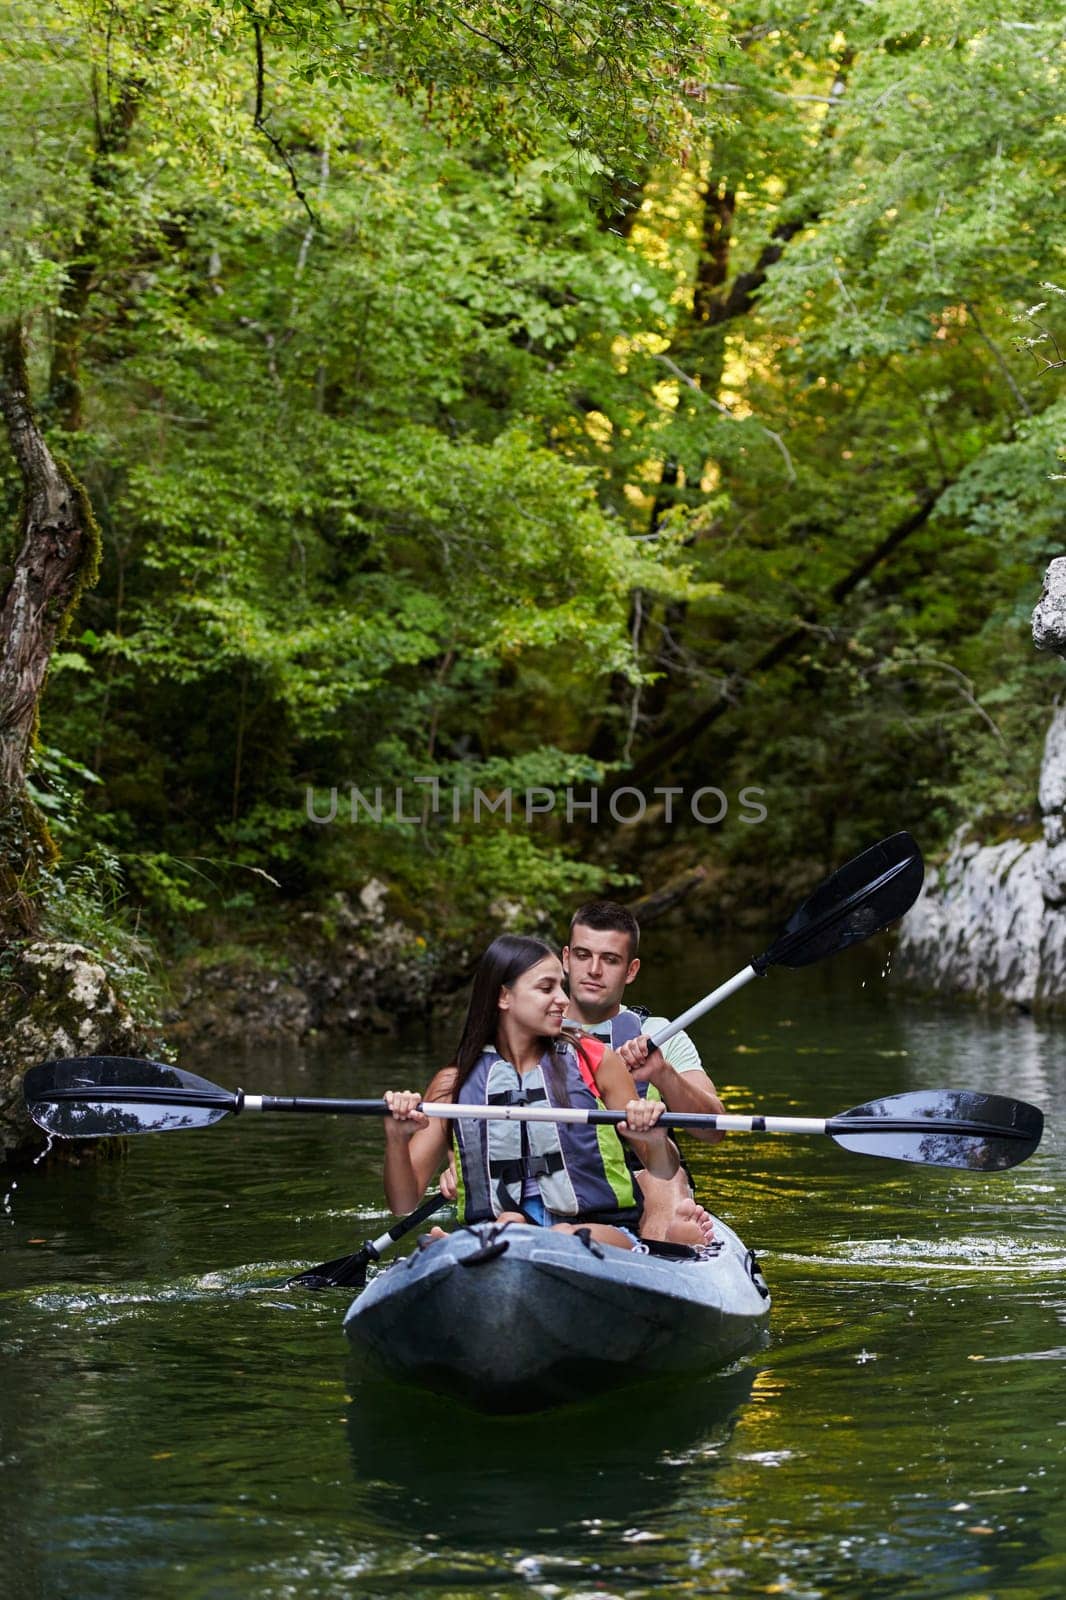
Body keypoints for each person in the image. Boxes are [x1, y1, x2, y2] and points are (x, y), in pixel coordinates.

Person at [382, 934, 692, 1251]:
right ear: (504, 997)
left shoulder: (596, 1060)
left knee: (556, 1234)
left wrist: (653, 1138)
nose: (563, 999)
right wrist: (396, 1136)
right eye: (547, 989)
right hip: (499, 1234)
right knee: (509, 1224)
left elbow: (664, 1169)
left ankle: (472, 1244)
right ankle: (486, 1243)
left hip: (598, 1232)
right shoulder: (453, 1083)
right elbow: (403, 1202)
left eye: (561, 985)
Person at [563, 900, 726, 1241]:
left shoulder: (660, 1032)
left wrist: (662, 1072)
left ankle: (664, 1249)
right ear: (566, 959)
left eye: (610, 959)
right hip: (560, 1174)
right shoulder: (531, 1029)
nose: (593, 970)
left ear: (631, 970)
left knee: (663, 1178)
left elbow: (713, 1130)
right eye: (582, 955)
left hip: (644, 1171)